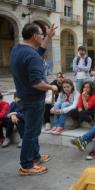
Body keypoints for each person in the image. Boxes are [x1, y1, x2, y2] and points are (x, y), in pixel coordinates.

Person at [10, 23, 58, 176]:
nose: (43, 35)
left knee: (33, 131)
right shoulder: (32, 56)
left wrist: (49, 37)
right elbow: (37, 83)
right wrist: (52, 87)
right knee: (32, 132)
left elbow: (39, 52)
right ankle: (26, 165)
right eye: (41, 34)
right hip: (33, 99)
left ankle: (35, 157)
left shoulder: (18, 49)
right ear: (34, 36)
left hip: (24, 97)